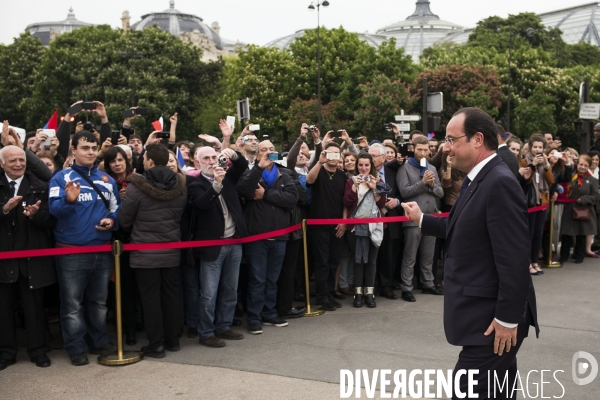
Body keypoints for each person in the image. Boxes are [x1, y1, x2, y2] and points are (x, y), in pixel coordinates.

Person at [402, 107, 539, 400]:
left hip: (491, 324)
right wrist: (422, 220)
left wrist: (506, 319)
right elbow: (462, 226)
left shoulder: (498, 181)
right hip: (483, 320)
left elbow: (514, 258)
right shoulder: (478, 177)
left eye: (452, 139)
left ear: (478, 139)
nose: (446, 147)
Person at [49, 131, 121, 366]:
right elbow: (54, 212)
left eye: (93, 147)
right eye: (85, 148)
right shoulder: (61, 178)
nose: (90, 152)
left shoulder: (106, 179)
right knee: (72, 304)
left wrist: (112, 221)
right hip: (70, 252)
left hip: (102, 251)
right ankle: (76, 347)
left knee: (99, 302)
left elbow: (116, 209)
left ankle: (99, 341)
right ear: (73, 150)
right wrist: (68, 200)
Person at [118, 143, 187, 358]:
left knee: (150, 299)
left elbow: (124, 219)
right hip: (171, 248)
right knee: (170, 295)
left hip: (144, 251)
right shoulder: (181, 184)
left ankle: (156, 344)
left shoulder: (137, 186)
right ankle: (173, 340)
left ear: (148, 161)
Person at [0, 145, 56, 370]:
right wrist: (4, 209)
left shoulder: (39, 187)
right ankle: (6, 352)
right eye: (12, 160)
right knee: (4, 309)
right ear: (2, 163)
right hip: (5, 260)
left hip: (32, 258)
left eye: (21, 160)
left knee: (34, 308)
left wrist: (35, 215)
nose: (18, 164)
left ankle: (37, 350)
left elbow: (51, 220)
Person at [188, 146, 248, 348]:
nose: (212, 161)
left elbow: (243, 165)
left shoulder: (229, 177)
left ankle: (224, 325)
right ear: (198, 163)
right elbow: (202, 204)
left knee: (230, 289)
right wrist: (216, 184)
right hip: (212, 246)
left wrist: (234, 154)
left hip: (233, 242)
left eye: (214, 157)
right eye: (206, 158)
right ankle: (206, 332)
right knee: (209, 293)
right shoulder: (195, 185)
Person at [237, 140, 299, 334]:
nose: (268, 152)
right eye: (264, 150)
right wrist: (258, 168)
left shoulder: (284, 175)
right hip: (257, 236)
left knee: (272, 279)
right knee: (257, 279)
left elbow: (292, 199)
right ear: (257, 155)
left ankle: (269, 314)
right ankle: (254, 318)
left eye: (272, 149)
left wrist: (266, 194)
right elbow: (244, 190)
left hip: (279, 237)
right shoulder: (250, 172)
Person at [397, 136, 444, 302]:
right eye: (420, 150)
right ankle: (407, 287)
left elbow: (440, 193)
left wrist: (431, 185)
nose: (423, 153)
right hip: (412, 220)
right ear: (413, 149)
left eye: (425, 150)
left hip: (430, 217)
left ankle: (428, 283)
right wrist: (423, 183)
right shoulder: (405, 168)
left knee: (428, 255)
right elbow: (404, 192)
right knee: (410, 256)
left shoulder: (431, 167)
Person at [102, 146, 139, 345]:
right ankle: (126, 329)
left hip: (137, 239)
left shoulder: (137, 180)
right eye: (113, 161)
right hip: (115, 239)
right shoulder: (104, 182)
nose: (117, 164)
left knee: (136, 287)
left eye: (120, 160)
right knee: (121, 288)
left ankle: (136, 324)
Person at [306, 136, 347, 311]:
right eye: (330, 152)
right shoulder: (318, 170)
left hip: (337, 225)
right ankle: (322, 297)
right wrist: (319, 162)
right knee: (321, 262)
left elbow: (346, 201)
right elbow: (309, 180)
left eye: (336, 153)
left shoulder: (343, 176)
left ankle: (330, 293)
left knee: (333, 261)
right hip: (318, 225)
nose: (333, 156)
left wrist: (344, 222)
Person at [343, 153, 386, 308]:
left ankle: (370, 293)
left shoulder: (378, 180)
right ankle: (358, 294)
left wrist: (375, 189)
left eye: (366, 165)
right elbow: (346, 201)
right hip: (355, 227)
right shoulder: (350, 181)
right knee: (358, 260)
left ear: (371, 166)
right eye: (360, 165)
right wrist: (355, 187)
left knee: (371, 261)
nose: (363, 168)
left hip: (374, 226)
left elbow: (382, 203)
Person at [368, 143, 402, 300]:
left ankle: (386, 286)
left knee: (389, 253)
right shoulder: (364, 171)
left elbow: (403, 192)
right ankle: (370, 286)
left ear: (383, 158)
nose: (371, 159)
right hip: (369, 218)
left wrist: (397, 201)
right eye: (370, 155)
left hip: (390, 217)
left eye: (374, 156)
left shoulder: (392, 172)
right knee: (370, 253)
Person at [520, 135, 555, 276]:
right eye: (535, 147)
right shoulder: (524, 161)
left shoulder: (544, 162)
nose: (538, 150)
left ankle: (535, 261)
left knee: (538, 233)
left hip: (542, 201)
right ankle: (527, 262)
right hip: (530, 202)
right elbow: (526, 181)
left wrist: (547, 166)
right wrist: (532, 165)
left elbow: (551, 180)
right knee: (529, 233)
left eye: (540, 147)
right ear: (530, 147)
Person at [559, 155, 600, 263]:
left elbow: (596, 196)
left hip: (584, 210)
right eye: (581, 164)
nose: (582, 167)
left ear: (588, 166)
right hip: (569, 209)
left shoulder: (593, 180)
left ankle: (579, 256)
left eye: (585, 165)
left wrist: (584, 199)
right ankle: (563, 256)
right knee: (566, 233)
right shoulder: (571, 176)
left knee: (581, 234)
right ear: (577, 164)